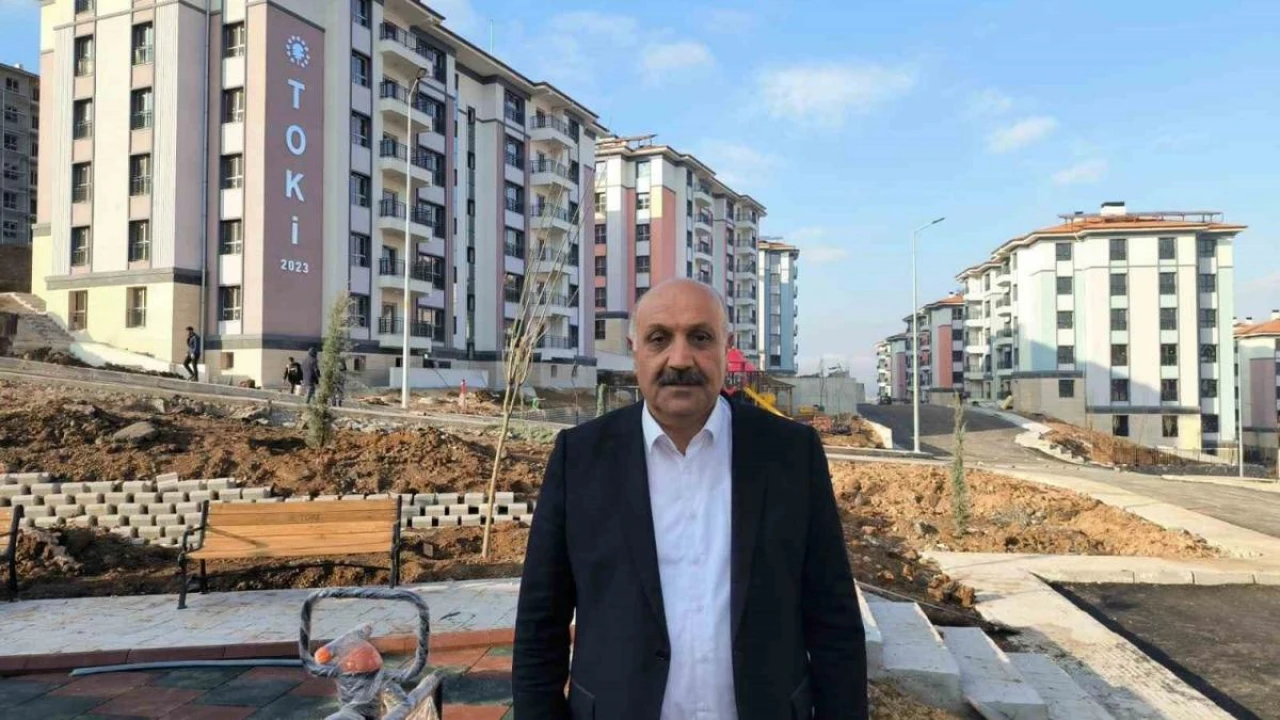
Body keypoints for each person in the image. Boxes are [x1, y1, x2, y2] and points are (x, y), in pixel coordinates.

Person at [513, 278, 867, 720]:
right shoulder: (580, 458)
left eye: (700, 337)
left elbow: (834, 620)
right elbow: (540, 624)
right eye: (659, 338)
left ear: (726, 347)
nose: (680, 359)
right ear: (635, 350)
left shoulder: (791, 455)